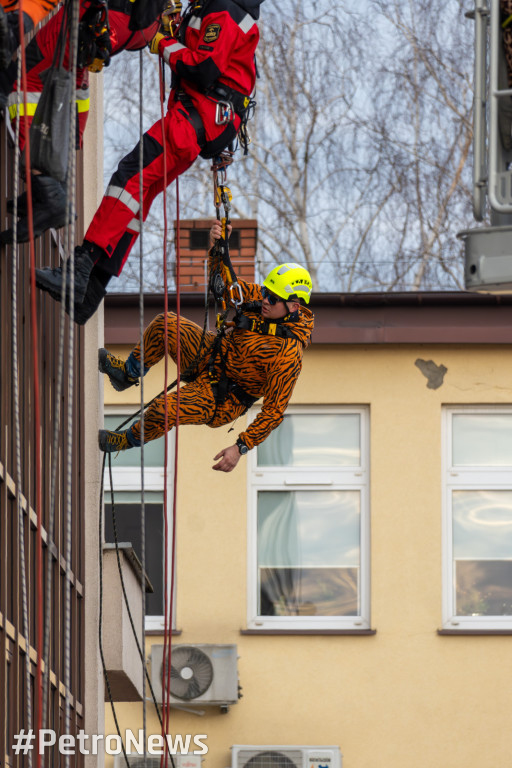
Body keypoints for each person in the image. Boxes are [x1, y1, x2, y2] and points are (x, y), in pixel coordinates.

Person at [34, 0, 263, 326]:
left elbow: (204, 67)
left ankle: (81, 268)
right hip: (200, 121)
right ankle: (90, 291)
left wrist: (163, 42)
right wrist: (174, 31)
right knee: (138, 195)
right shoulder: (216, 9)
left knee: (129, 179)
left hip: (193, 121)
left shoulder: (224, 8)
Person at [98, 221, 314, 472]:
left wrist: (241, 447)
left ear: (294, 306)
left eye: (273, 299)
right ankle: (128, 373)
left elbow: (273, 412)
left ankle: (125, 440)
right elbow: (225, 289)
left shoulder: (288, 356)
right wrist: (218, 248)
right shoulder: (259, 298)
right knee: (166, 324)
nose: (265, 300)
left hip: (222, 396)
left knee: (163, 410)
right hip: (212, 355)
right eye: (266, 292)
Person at [0, 0, 161, 244]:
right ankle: (52, 185)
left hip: (106, 13)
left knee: (22, 86)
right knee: (72, 75)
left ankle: (48, 191)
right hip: (133, 24)